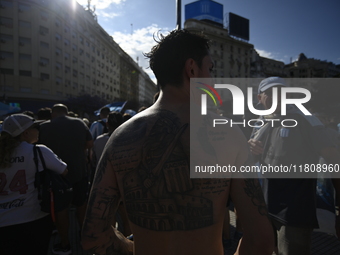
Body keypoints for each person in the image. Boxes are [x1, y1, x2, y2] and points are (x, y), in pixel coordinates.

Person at [81, 29, 274, 255]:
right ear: (192, 69)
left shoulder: (121, 137)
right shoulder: (229, 135)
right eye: (210, 69)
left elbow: (93, 236)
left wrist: (133, 248)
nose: (212, 80)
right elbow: (261, 240)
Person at [248, 77, 340, 255]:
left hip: (295, 214)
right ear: (260, 98)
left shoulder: (305, 120)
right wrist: (250, 149)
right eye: (271, 93)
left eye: (282, 92)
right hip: (266, 207)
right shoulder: (260, 122)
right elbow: (252, 160)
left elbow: (335, 160)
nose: (278, 97)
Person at [0, 114, 68, 255]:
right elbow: (64, 170)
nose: (38, 130)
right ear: (25, 133)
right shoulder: (38, 151)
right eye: (35, 127)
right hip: (33, 218)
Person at [39, 104, 93, 255]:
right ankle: (84, 238)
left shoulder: (44, 127)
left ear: (53, 114)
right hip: (79, 173)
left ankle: (65, 244)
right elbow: (90, 144)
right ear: (66, 112)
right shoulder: (79, 123)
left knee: (61, 210)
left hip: (56, 177)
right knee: (81, 206)